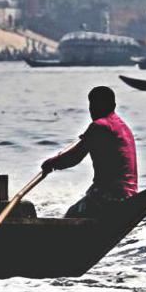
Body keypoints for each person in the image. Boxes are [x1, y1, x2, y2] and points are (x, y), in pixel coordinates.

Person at [41, 85, 138, 218]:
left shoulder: (99, 126)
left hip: (110, 196)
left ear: (112, 105)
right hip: (131, 194)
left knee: (70, 215)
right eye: (91, 105)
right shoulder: (123, 127)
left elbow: (74, 157)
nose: (92, 110)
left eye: (94, 105)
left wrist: (51, 163)